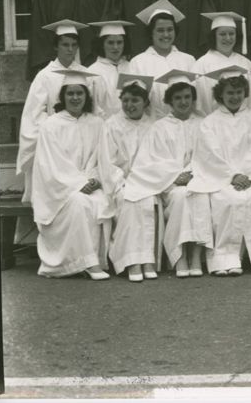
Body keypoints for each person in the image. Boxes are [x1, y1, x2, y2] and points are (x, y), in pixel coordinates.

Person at [17, 21, 100, 242]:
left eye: (74, 44)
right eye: (65, 44)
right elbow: (33, 116)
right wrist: (58, 125)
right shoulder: (45, 76)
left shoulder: (85, 74)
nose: (70, 49)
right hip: (54, 144)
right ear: (56, 47)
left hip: (82, 143)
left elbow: (93, 108)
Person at [30, 69, 114, 279]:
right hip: (59, 192)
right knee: (79, 202)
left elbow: (102, 157)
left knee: (104, 201)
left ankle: (100, 259)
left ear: (87, 97)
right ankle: (88, 263)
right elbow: (50, 165)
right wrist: (78, 184)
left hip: (91, 184)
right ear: (62, 97)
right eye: (70, 93)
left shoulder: (97, 123)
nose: (75, 98)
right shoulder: (51, 125)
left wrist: (94, 179)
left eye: (80, 93)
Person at [187, 66, 251, 275]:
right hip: (221, 178)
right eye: (230, 93)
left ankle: (246, 257)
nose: (234, 97)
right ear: (220, 94)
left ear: (245, 93)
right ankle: (221, 260)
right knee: (228, 201)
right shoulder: (210, 122)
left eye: (239, 92)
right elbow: (209, 155)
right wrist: (233, 175)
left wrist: (248, 176)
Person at [124, 70, 207, 277]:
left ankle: (195, 255)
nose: (183, 102)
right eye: (177, 98)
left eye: (187, 97)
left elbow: (210, 156)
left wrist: (193, 174)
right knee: (180, 196)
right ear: (169, 100)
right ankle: (178, 257)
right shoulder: (159, 128)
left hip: (200, 179)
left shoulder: (204, 125)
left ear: (193, 99)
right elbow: (150, 162)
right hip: (170, 185)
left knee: (201, 195)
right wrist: (175, 176)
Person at [102, 74, 159, 281]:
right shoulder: (111, 125)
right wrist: (122, 181)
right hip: (121, 181)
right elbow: (108, 161)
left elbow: (158, 159)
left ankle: (147, 259)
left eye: (135, 100)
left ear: (145, 102)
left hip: (148, 181)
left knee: (145, 200)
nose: (129, 105)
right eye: (125, 100)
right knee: (129, 200)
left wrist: (145, 180)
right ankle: (131, 260)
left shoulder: (153, 126)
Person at [128, 0, 198, 119]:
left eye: (170, 30)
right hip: (151, 125)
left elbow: (196, 98)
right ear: (151, 33)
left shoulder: (189, 60)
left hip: (185, 126)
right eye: (160, 30)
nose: (166, 35)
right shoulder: (138, 62)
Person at [193, 12, 251, 113]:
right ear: (214, 36)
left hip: (243, 121)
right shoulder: (201, 65)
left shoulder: (246, 63)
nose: (228, 38)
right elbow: (198, 102)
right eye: (222, 34)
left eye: (231, 33)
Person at [87, 20, 134, 117]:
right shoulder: (92, 72)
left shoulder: (133, 67)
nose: (116, 47)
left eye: (119, 42)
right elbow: (92, 107)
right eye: (110, 42)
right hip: (104, 126)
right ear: (102, 44)